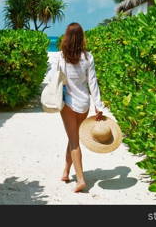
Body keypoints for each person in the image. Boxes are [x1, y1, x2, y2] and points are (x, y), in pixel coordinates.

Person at [57, 22, 104, 193]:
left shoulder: (62, 57)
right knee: (73, 138)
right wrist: (98, 105)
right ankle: (66, 171)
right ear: (82, 37)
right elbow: (93, 83)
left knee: (74, 141)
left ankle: (81, 179)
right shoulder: (88, 57)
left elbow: (56, 79)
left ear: (67, 37)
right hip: (84, 103)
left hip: (68, 103)